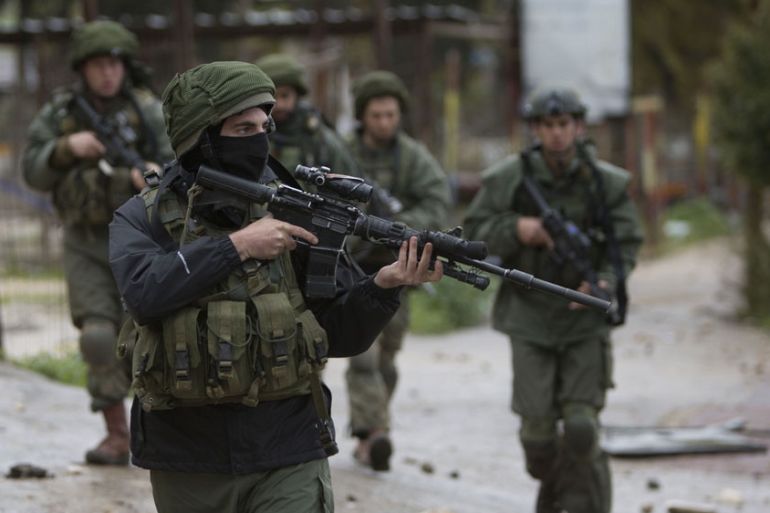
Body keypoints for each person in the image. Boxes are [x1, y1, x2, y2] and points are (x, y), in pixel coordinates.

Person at [108, 61, 443, 513]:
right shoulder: (143, 216)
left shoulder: (292, 209)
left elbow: (338, 334)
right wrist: (238, 246)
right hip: (187, 458)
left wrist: (383, 285)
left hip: (288, 448)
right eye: (242, 129)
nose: (259, 141)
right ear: (201, 137)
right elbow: (143, 294)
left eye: (263, 127)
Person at [464, 89, 643, 513]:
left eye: (564, 125)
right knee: (538, 442)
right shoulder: (509, 178)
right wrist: (517, 229)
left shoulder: (605, 182)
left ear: (579, 127)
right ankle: (555, 489)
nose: (557, 134)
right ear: (536, 130)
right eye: (548, 125)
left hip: (584, 317)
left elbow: (626, 242)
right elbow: (474, 232)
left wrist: (603, 282)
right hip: (529, 315)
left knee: (581, 429)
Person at [22, 20, 173, 465]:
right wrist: (66, 148)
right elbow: (33, 170)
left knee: (147, 337)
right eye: (98, 65)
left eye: (114, 64)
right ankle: (116, 434)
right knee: (98, 336)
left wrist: (154, 173)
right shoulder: (62, 112)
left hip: (141, 240)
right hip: (85, 239)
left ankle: (155, 429)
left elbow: (180, 160)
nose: (107, 73)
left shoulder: (148, 110)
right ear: (83, 69)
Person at [345, 70, 452, 471]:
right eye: (376, 115)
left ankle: (372, 426)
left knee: (386, 358)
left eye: (391, 115)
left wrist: (400, 227)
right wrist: (361, 227)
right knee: (363, 356)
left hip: (399, 270)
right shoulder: (343, 153)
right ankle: (373, 434)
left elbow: (437, 202)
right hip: (351, 267)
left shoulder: (412, 158)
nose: (384, 123)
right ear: (362, 116)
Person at [255, 53, 358, 175]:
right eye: (273, 97)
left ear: (297, 95)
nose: (280, 105)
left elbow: (348, 177)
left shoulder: (320, 139)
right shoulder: (253, 136)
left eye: (285, 95)